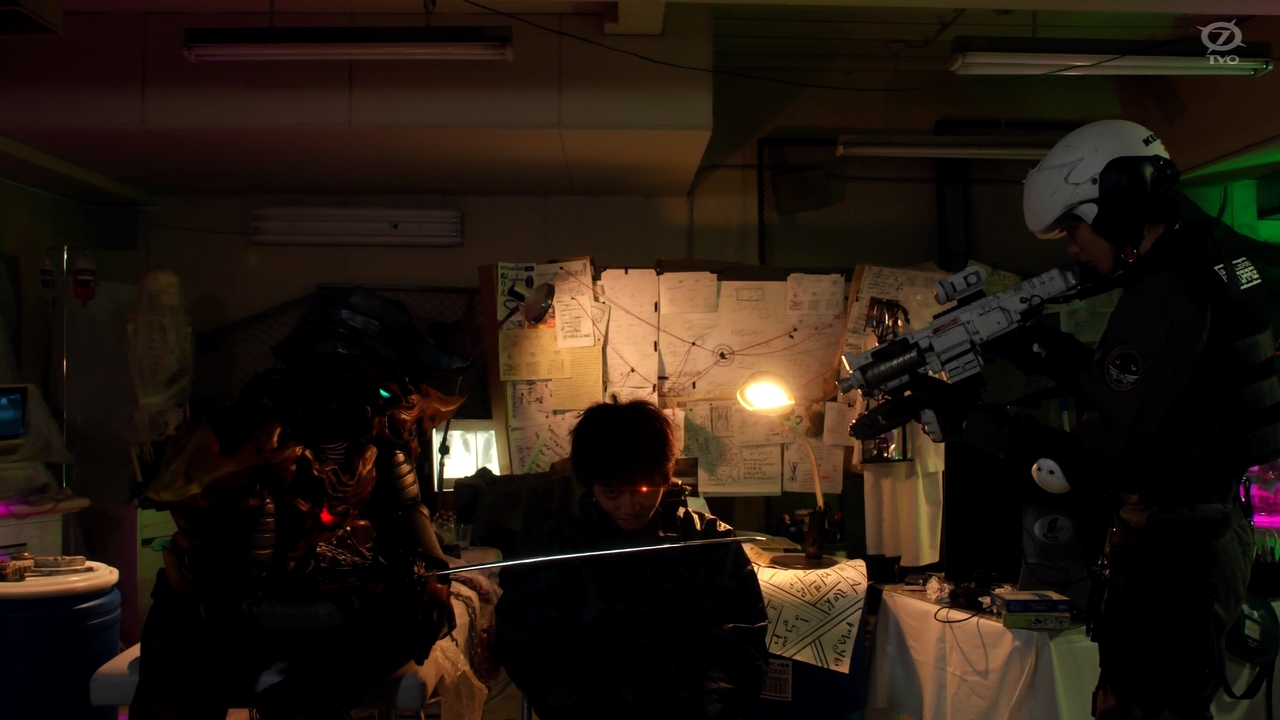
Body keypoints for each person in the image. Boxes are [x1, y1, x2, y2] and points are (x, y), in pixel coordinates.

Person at [918, 119, 1280, 719]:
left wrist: (969, 422)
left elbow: (1093, 457)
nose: (1071, 246)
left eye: (1072, 227)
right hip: (1202, 535)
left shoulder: (1166, 292)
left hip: (1172, 559)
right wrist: (1031, 344)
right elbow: (1151, 387)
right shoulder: (1211, 258)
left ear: (1115, 205)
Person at [130, 289, 464, 720]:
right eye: (376, 392)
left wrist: (432, 569)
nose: (379, 410)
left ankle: (303, 689)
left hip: (341, 612)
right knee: (184, 655)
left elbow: (405, 509)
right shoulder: (246, 434)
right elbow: (202, 539)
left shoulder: (378, 438)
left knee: (395, 623)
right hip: (231, 612)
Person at [495, 399, 768, 720]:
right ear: (591, 485)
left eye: (644, 489)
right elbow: (531, 649)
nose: (630, 506)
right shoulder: (559, 546)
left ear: (664, 478)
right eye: (612, 493)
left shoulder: (710, 541)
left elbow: (737, 645)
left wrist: (701, 710)